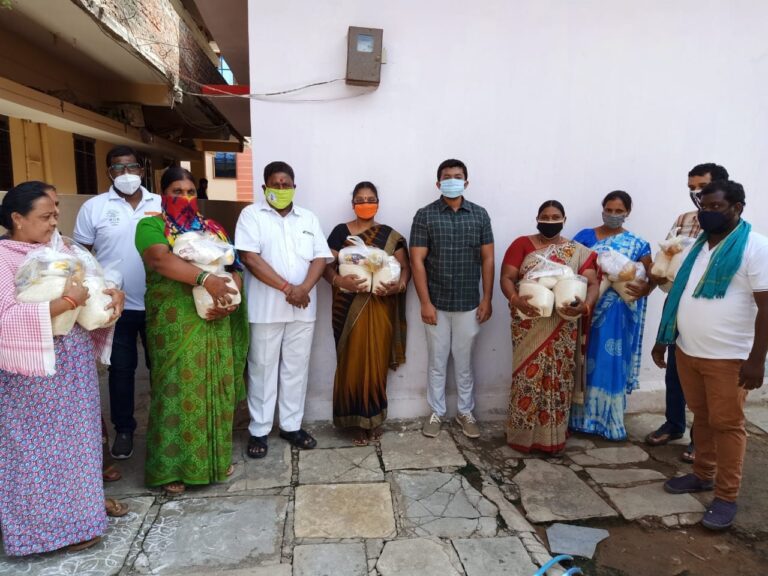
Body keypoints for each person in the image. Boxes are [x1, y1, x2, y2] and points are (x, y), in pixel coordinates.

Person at [0, 181, 125, 555]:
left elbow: (93, 283)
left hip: (73, 368)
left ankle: (83, 512)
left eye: (56, 214)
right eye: (45, 216)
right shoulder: (5, 259)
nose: (54, 221)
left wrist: (110, 295)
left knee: (79, 444)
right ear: (17, 218)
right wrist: (66, 302)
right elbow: (5, 318)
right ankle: (44, 531)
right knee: (36, 452)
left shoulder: (64, 249)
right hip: (31, 376)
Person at [653, 180, 767, 530]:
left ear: (737, 208)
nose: (707, 213)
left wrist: (756, 360)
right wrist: (663, 340)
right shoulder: (696, 247)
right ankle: (702, 474)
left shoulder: (755, 246)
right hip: (689, 350)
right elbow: (679, 293)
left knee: (727, 425)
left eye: (716, 207)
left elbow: (766, 307)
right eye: (704, 206)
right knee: (701, 417)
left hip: (729, 358)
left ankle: (726, 496)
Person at [135, 166, 248, 494]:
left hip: (215, 318)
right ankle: (172, 468)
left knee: (216, 388)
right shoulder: (151, 226)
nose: (184, 198)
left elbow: (235, 268)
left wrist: (230, 300)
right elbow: (159, 260)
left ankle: (215, 460)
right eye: (177, 192)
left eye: (189, 192)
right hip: (175, 323)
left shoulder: (213, 229)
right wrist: (205, 279)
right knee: (176, 390)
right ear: (163, 194)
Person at [235, 161, 332, 458]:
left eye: (286, 184)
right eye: (275, 184)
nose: (281, 188)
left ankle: (291, 426)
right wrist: (288, 289)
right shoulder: (251, 215)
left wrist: (303, 289)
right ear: (264, 187)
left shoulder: (308, 218)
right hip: (265, 309)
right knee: (262, 370)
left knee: (296, 369)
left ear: (294, 187)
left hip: (303, 308)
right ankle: (259, 430)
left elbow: (320, 257)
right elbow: (250, 258)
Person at [74, 145, 162, 460]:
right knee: (121, 371)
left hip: (158, 303)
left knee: (161, 368)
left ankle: (163, 427)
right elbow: (80, 256)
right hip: (116, 306)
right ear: (108, 172)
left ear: (142, 170)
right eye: (118, 168)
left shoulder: (159, 204)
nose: (126, 174)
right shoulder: (94, 208)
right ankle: (124, 430)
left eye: (132, 167)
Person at [646, 163, 730, 463]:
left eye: (701, 187)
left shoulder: (728, 224)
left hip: (708, 307)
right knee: (675, 371)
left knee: (703, 378)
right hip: (678, 302)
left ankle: (700, 439)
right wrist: (651, 281)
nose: (695, 193)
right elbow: (666, 255)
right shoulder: (684, 219)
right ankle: (674, 423)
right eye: (691, 188)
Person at [500, 200, 598, 454]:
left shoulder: (577, 251)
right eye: (545, 216)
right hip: (528, 322)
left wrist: (585, 306)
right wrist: (515, 299)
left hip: (563, 325)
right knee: (526, 377)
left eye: (556, 217)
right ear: (537, 218)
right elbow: (507, 277)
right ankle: (521, 436)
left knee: (559, 378)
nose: (550, 220)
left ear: (564, 220)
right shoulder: (521, 244)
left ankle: (552, 437)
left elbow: (592, 283)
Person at [410, 159, 494, 439]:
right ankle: (436, 412)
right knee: (437, 361)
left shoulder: (480, 215)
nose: (452, 181)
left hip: (469, 302)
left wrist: (487, 298)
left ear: (466, 182)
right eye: (447, 177)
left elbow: (488, 258)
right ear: (438, 183)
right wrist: (425, 302)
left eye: (458, 176)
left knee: (464, 362)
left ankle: (465, 412)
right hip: (436, 303)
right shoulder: (425, 215)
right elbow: (417, 261)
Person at [323, 182, 411, 445]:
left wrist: (399, 286)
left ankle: (373, 418)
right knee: (351, 360)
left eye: (370, 199)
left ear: (378, 203)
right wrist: (340, 281)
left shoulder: (390, 235)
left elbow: (405, 267)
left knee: (376, 361)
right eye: (360, 199)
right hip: (347, 306)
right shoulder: (340, 232)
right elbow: (325, 266)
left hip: (381, 305)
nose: (365, 203)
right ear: (353, 204)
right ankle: (353, 421)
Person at [569, 191, 652, 440]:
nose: (613, 215)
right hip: (587, 309)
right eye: (609, 210)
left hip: (617, 314)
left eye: (619, 211)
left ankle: (608, 422)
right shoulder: (584, 236)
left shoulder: (638, 243)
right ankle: (577, 419)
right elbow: (571, 265)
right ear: (602, 209)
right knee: (583, 360)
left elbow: (650, 276)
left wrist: (644, 288)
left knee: (609, 362)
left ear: (628, 213)